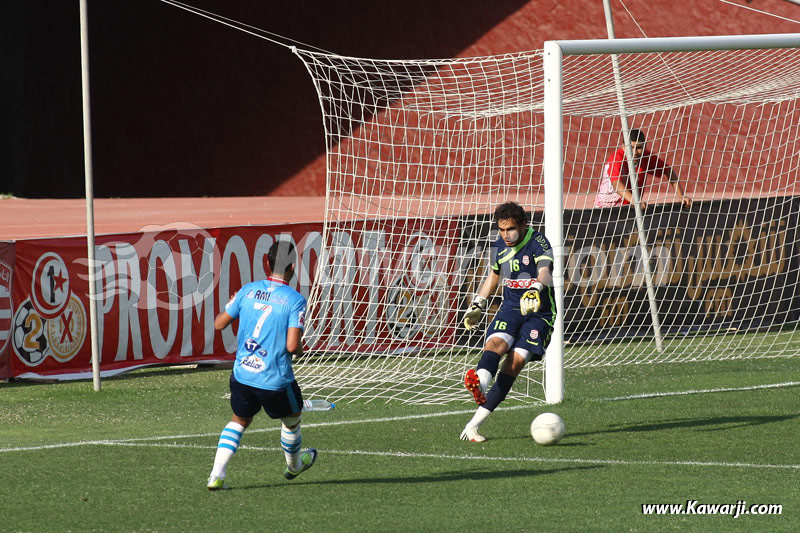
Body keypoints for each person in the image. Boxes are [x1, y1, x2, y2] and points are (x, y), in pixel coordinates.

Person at [206, 241, 317, 489]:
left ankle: (216, 475)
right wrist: (300, 346)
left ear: (266, 263)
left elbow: (218, 324)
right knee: (292, 419)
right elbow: (291, 347)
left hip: (243, 374)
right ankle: (295, 465)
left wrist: (230, 305)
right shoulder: (295, 300)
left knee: (239, 419)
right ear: (292, 267)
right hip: (274, 379)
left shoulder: (247, 290)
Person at [460, 201, 556, 442]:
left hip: (539, 312)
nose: (506, 235)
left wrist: (536, 287)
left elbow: (545, 269)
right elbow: (494, 275)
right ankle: (480, 384)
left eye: (511, 229)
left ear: (523, 225)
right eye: (501, 230)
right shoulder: (500, 244)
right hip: (511, 308)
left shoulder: (538, 242)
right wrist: (478, 302)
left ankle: (474, 424)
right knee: (494, 345)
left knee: (513, 363)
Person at [594, 128, 692, 210]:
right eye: (631, 148)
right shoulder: (616, 158)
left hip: (630, 208)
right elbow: (617, 184)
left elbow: (668, 171)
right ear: (623, 147)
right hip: (606, 209)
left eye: (638, 147)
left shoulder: (646, 157)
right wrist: (635, 200)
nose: (635, 152)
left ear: (644, 146)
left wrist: (681, 195)